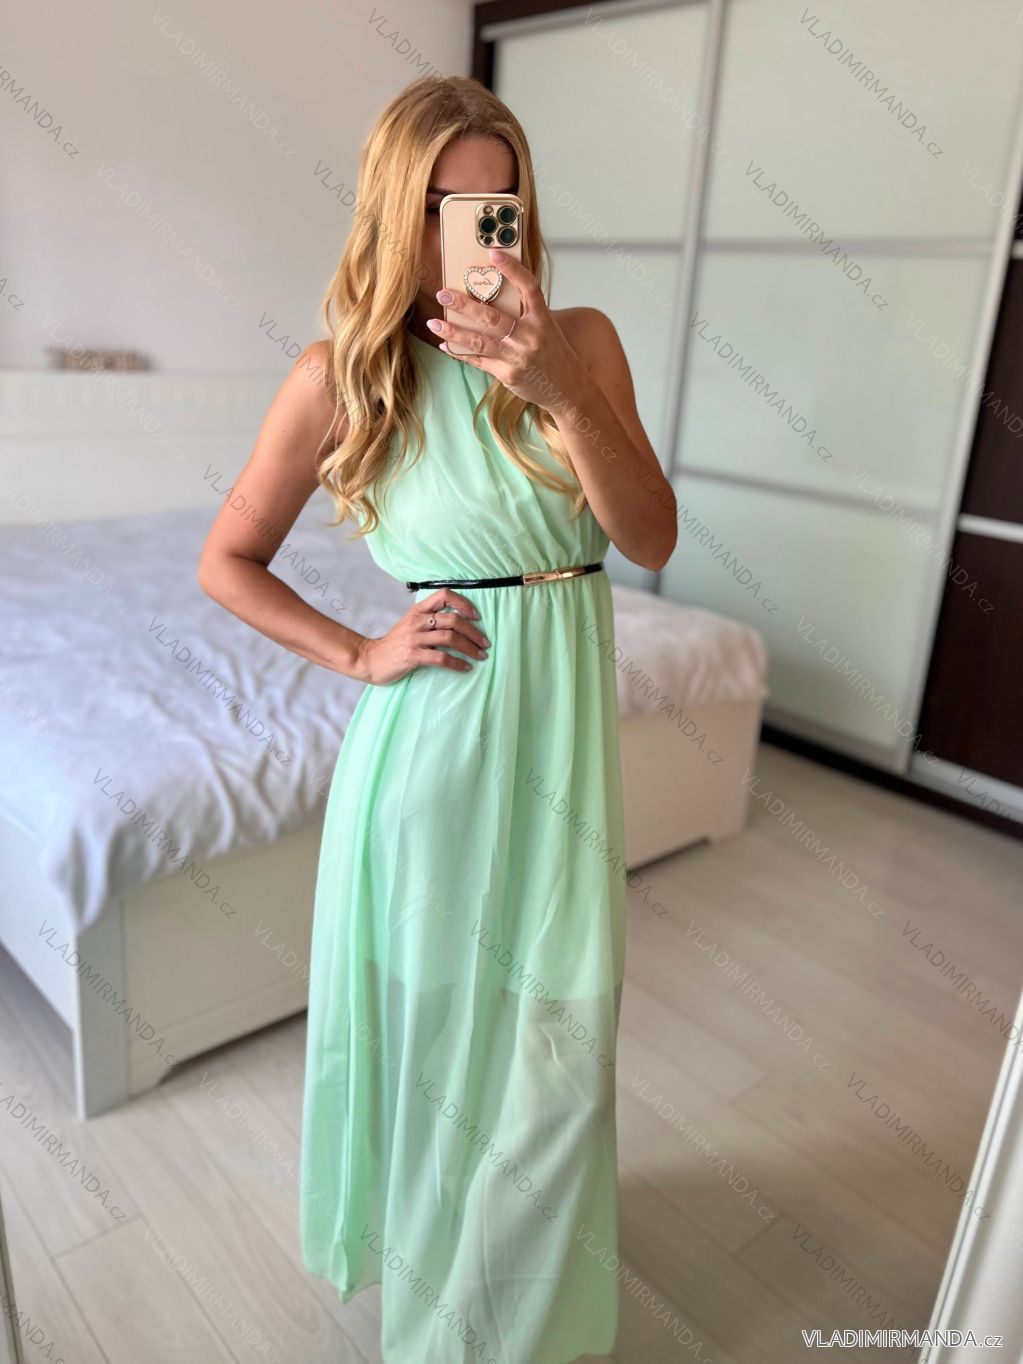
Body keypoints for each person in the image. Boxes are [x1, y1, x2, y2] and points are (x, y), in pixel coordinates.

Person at [198, 73, 676, 1364]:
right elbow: (227, 560)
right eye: (443, 206)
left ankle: (524, 1320)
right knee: (442, 1043)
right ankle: (444, 1319)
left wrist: (560, 389)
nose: (476, 232)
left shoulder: (584, 342)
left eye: (496, 203)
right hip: (437, 748)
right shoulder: (340, 376)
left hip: (565, 743)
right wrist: (360, 651)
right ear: (393, 212)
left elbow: (650, 537)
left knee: (563, 1033)